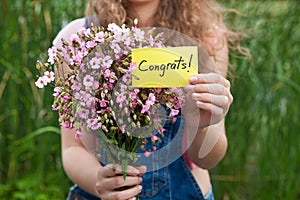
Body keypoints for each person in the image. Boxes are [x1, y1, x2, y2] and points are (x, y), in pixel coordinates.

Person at [52, 0, 245, 199]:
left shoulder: (208, 38)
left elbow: (207, 159)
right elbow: (73, 148)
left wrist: (202, 125)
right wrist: (98, 181)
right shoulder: (76, 39)